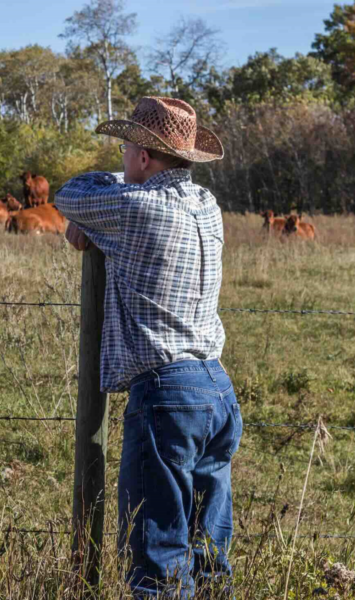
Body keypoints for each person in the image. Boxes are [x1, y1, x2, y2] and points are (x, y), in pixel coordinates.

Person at [54, 97, 242, 598]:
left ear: (142, 157)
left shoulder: (135, 208)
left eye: (125, 149)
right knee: (208, 558)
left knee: (159, 561)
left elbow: (70, 194)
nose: (120, 158)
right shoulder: (207, 205)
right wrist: (100, 224)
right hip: (217, 389)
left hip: (167, 394)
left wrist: (91, 223)